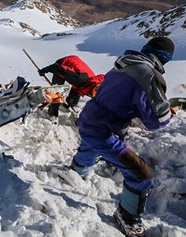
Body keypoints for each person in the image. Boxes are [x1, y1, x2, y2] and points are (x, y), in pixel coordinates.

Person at [68, 36, 176, 237]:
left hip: (90, 120)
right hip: (103, 130)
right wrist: (169, 112)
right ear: (165, 58)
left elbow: (119, 95)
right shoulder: (147, 74)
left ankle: (74, 173)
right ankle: (126, 217)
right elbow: (156, 121)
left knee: (90, 149)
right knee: (140, 173)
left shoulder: (125, 62)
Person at [38, 55, 104, 116]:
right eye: (91, 96)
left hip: (76, 66)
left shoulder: (91, 83)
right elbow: (57, 67)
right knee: (57, 91)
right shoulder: (79, 79)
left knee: (73, 97)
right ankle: (52, 114)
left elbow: (79, 89)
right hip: (64, 63)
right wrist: (44, 70)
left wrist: (70, 102)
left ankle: (69, 105)